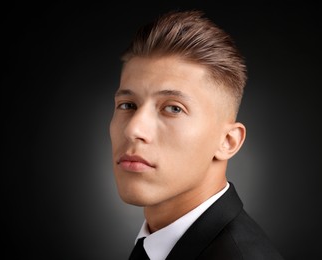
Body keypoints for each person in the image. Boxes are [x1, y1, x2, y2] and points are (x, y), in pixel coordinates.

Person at [109, 9, 284, 260]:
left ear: (227, 141)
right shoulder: (158, 243)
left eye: (173, 108)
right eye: (128, 105)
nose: (133, 129)